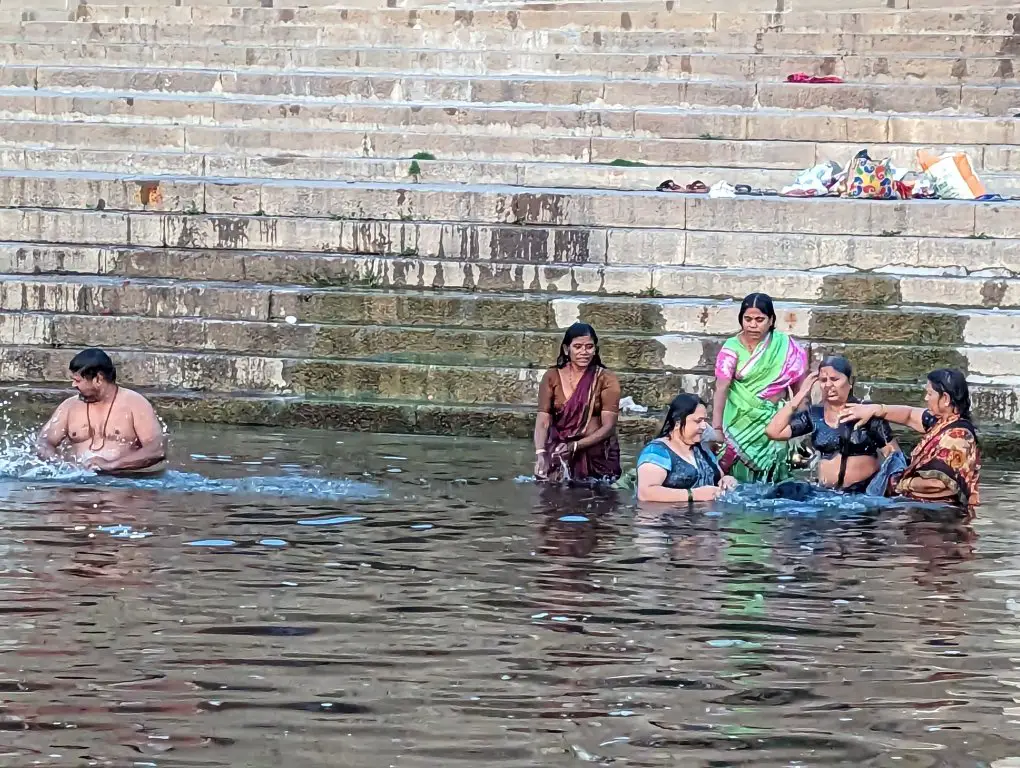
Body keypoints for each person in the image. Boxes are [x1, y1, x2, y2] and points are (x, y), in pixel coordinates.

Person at [839, 368, 980, 508]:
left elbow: (938, 484)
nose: (926, 398)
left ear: (946, 399)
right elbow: (910, 415)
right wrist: (877, 409)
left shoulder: (958, 437)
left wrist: (900, 483)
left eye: (929, 394)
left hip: (941, 516)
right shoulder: (941, 421)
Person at [765, 356, 902, 493]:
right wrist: (800, 394)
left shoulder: (866, 412)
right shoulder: (815, 414)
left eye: (835, 379)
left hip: (862, 494)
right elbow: (773, 432)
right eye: (823, 380)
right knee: (782, 491)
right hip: (826, 495)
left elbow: (894, 456)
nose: (828, 385)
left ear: (850, 382)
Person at [712, 292, 808, 483]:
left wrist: (801, 430)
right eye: (747, 319)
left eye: (759, 319)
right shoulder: (731, 348)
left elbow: (800, 393)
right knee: (735, 478)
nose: (753, 325)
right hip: (738, 424)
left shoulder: (787, 347)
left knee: (774, 479)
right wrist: (717, 429)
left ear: (771, 320)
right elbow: (721, 389)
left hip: (775, 424)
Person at [35, 348, 167, 474]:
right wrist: (61, 465)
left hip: (123, 485)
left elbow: (156, 450)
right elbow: (44, 442)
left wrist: (111, 465)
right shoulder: (69, 406)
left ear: (98, 379)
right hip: (77, 485)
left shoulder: (135, 403)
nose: (73, 385)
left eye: (77, 380)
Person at [533, 323, 621, 484]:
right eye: (578, 346)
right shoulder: (552, 376)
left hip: (596, 455)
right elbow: (543, 420)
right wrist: (541, 453)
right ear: (567, 349)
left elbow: (609, 427)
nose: (584, 352)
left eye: (589, 347)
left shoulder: (606, 378)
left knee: (599, 501)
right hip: (559, 451)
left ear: (595, 349)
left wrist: (575, 446)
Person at [637, 393, 738, 503]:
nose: (704, 426)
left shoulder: (701, 449)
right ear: (677, 422)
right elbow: (646, 493)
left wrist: (726, 481)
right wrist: (694, 495)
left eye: (705, 420)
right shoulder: (657, 452)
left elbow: (718, 478)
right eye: (698, 421)